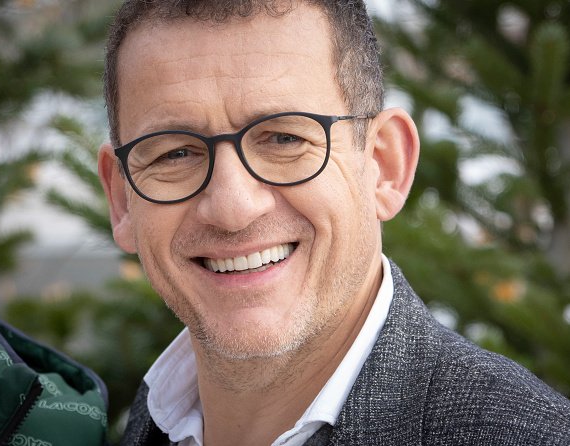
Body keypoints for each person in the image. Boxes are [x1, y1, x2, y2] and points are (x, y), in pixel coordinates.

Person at [97, 1, 570, 445]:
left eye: (283, 138)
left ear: (385, 165)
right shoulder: (130, 428)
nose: (232, 207)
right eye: (174, 152)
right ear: (121, 201)